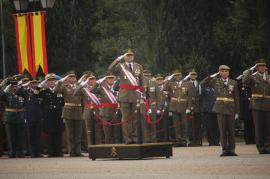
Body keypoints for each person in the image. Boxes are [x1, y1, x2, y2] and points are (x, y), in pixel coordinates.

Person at [201, 65, 239, 157]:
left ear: (228, 72)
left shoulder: (233, 82)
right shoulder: (215, 81)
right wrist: (212, 76)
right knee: (222, 130)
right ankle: (225, 149)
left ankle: (232, 149)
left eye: (226, 71)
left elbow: (236, 97)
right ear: (219, 72)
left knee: (231, 130)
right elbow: (202, 83)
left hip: (230, 108)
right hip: (220, 108)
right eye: (222, 71)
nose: (224, 73)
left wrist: (237, 111)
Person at [108, 48, 144, 144]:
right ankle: (128, 139)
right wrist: (117, 59)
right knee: (126, 118)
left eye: (131, 55)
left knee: (135, 118)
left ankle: (135, 138)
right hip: (124, 96)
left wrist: (143, 94)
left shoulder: (138, 66)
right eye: (127, 55)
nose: (130, 57)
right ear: (124, 57)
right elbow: (110, 69)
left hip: (135, 95)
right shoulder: (121, 66)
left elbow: (142, 81)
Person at [242, 59, 270, 154]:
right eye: (260, 66)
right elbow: (244, 80)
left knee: (267, 127)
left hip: (267, 104)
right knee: (258, 127)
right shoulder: (253, 77)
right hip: (257, 105)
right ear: (257, 68)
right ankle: (260, 147)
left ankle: (267, 146)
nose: (262, 68)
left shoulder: (269, 77)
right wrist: (251, 69)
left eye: (263, 66)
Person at [54, 71, 84, 157]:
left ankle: (78, 151)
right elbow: (56, 92)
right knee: (70, 133)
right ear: (67, 79)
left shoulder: (79, 87)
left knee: (78, 133)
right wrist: (59, 82)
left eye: (73, 77)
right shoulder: (64, 87)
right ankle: (71, 151)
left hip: (78, 111)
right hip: (68, 111)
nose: (72, 78)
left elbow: (84, 96)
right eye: (70, 77)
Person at [39, 73, 65, 157]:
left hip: (57, 114)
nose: (52, 82)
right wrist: (40, 85)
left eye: (53, 80)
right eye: (49, 81)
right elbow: (35, 94)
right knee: (49, 134)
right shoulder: (43, 91)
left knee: (58, 133)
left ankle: (59, 151)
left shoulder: (58, 91)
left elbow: (62, 102)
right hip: (48, 114)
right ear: (46, 82)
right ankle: (50, 151)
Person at [163, 70, 191, 147]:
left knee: (184, 124)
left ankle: (184, 140)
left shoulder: (187, 84)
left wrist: (189, 107)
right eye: (175, 75)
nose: (177, 77)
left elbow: (190, 96)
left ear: (181, 76)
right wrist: (169, 79)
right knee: (176, 125)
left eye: (178, 75)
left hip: (183, 106)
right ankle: (178, 140)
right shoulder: (171, 83)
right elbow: (164, 88)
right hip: (174, 106)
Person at [0, 78, 26, 158]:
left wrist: (21, 87)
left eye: (15, 86)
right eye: (12, 86)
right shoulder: (6, 94)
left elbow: (27, 97)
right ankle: (12, 152)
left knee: (20, 136)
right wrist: (5, 89)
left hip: (20, 117)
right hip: (10, 117)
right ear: (10, 87)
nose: (14, 88)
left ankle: (20, 152)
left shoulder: (21, 93)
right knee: (11, 137)